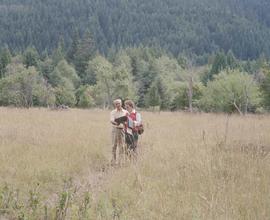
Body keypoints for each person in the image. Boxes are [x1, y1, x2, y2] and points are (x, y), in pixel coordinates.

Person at [110, 99, 128, 165]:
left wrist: (124, 123)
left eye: (118, 103)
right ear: (114, 105)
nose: (117, 105)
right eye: (116, 104)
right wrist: (117, 123)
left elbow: (127, 121)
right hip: (115, 130)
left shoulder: (126, 112)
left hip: (122, 130)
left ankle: (120, 162)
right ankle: (113, 161)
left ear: (121, 103)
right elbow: (111, 120)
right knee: (113, 146)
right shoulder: (113, 112)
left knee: (122, 146)